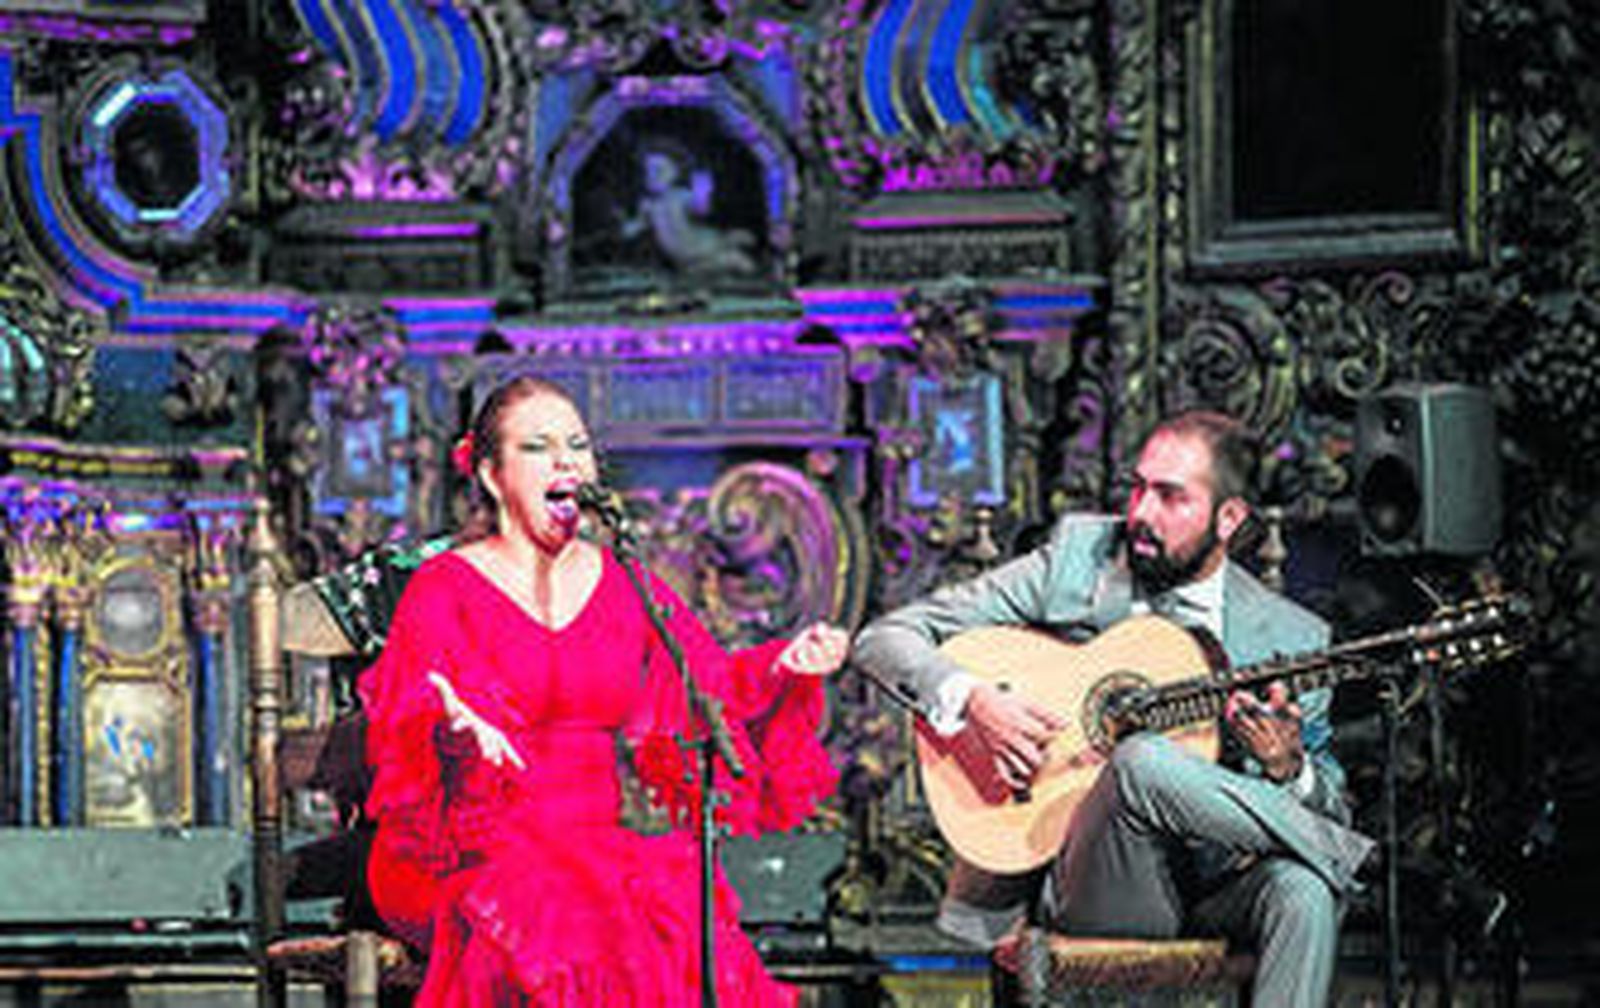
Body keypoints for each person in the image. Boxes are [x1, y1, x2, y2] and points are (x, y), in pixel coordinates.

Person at [853, 410, 1375, 1007]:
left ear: (1229, 519)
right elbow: (884, 640)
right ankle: (1349, 857)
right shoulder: (1079, 562)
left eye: (1171, 497)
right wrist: (975, 702)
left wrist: (1291, 771)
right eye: (1138, 488)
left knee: (1304, 890)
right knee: (1139, 760)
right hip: (1096, 878)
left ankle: (1329, 857)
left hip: (1219, 884)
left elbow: (1330, 795)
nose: (1141, 513)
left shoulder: (1291, 637)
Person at [358, 376, 849, 1007]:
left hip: (590, 847)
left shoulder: (624, 581)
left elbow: (709, 685)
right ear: (491, 475)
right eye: (538, 447)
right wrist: (452, 724)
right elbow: (410, 708)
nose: (566, 461)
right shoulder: (444, 584)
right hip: (465, 851)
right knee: (573, 917)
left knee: (673, 916)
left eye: (578, 445)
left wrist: (784, 665)